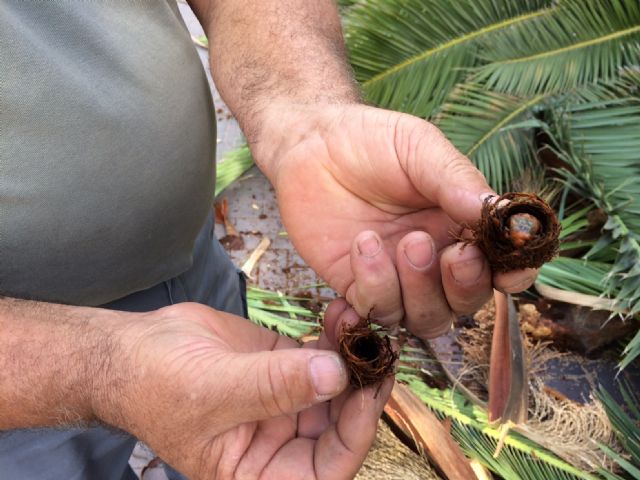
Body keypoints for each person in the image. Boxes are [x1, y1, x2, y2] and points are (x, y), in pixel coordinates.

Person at [0, 1, 537, 478]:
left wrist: (305, 113)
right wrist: (100, 370)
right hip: (19, 391)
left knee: (248, 435)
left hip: (189, 268)